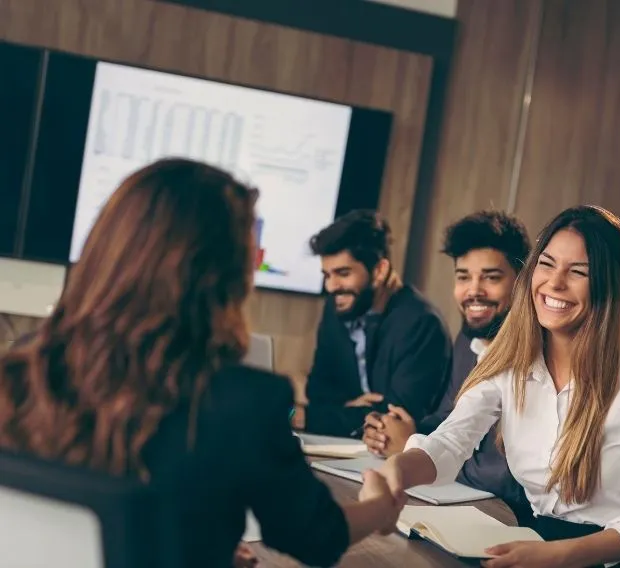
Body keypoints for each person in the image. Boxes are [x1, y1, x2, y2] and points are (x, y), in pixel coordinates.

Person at [0, 159, 404, 568]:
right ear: (223, 275)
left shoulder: (22, 368)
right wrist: (380, 506)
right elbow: (317, 537)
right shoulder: (242, 402)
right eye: (252, 254)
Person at [378, 205, 620, 568]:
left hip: (604, 559)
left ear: (606, 286)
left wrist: (558, 556)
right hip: (532, 542)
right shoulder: (511, 362)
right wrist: (396, 472)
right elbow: (450, 442)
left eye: (578, 272)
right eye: (547, 264)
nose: (554, 283)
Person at [362, 210, 532, 518]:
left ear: (521, 282)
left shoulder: (538, 356)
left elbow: (508, 477)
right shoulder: (469, 339)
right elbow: (449, 416)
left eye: (491, 278)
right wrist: (400, 432)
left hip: (514, 521)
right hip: (464, 507)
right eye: (463, 277)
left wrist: (414, 450)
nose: (474, 290)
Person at [293, 209, 451, 437]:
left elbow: (395, 418)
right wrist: (352, 408)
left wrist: (309, 417)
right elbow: (318, 390)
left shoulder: (422, 324)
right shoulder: (337, 306)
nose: (331, 286)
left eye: (343, 273)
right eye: (327, 275)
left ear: (379, 270)